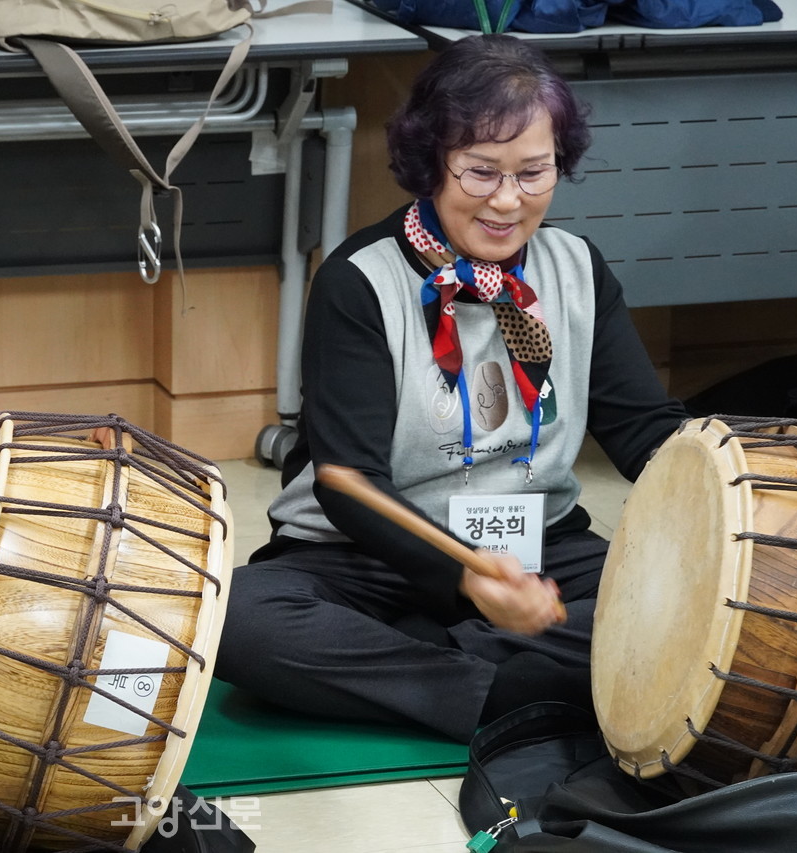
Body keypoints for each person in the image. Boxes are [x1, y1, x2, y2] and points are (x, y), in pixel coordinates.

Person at [214, 34, 689, 744]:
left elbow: (646, 433)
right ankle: (512, 686)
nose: (507, 201)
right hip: (365, 556)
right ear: (431, 161)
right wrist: (464, 579)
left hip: (537, 550)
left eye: (534, 173)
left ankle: (435, 671)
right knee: (240, 618)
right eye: (480, 173)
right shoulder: (358, 279)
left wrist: (741, 478)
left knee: (704, 606)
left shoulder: (578, 267)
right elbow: (347, 483)